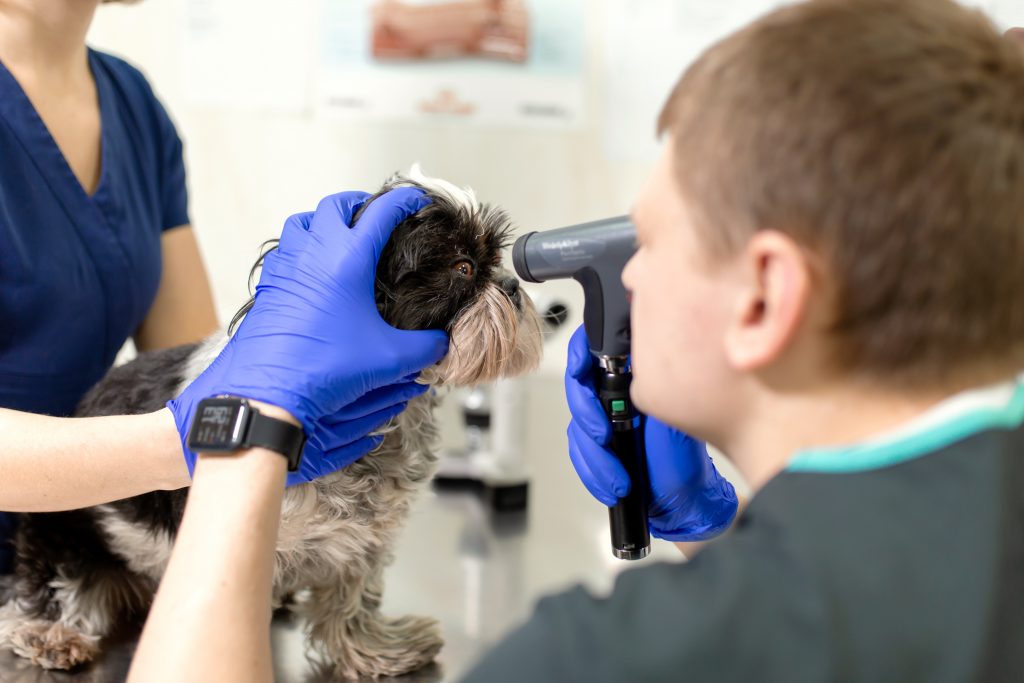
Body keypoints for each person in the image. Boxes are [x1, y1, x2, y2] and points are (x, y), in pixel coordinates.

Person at [126, 0, 1024, 681]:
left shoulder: (599, 657)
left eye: (652, 240)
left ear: (764, 298)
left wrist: (250, 429)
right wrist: (719, 532)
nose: (624, 278)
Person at [0, 0, 217, 568]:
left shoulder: (132, 103)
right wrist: (180, 445)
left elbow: (190, 369)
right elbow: (192, 424)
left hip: (75, 562)